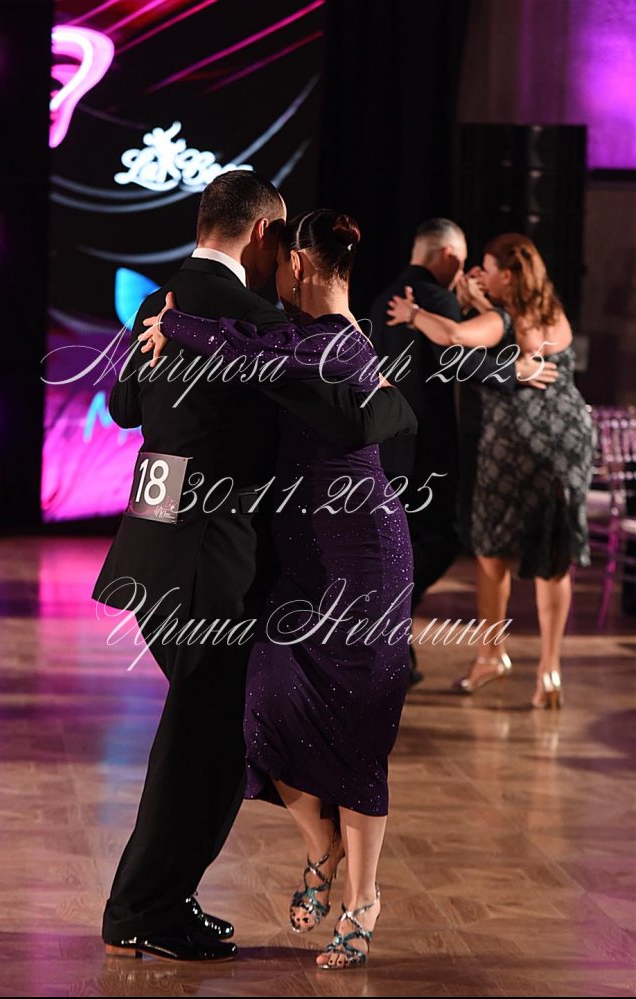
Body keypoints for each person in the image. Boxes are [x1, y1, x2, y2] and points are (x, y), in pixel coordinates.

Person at [93, 173, 417, 963]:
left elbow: (127, 409)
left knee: (213, 735)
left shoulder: (159, 303)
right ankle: (144, 907)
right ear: (266, 235)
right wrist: (391, 392)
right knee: (203, 742)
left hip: (148, 551)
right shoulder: (259, 321)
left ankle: (159, 898)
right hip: (212, 562)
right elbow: (355, 419)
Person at [387, 232, 594, 709]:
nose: (480, 274)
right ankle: (550, 669)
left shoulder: (502, 319)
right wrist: (480, 299)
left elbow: (456, 337)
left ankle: (490, 655)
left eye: (488, 268)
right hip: (569, 440)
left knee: (490, 550)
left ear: (510, 274)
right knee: (553, 553)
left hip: (517, 445)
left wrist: (414, 315)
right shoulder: (551, 312)